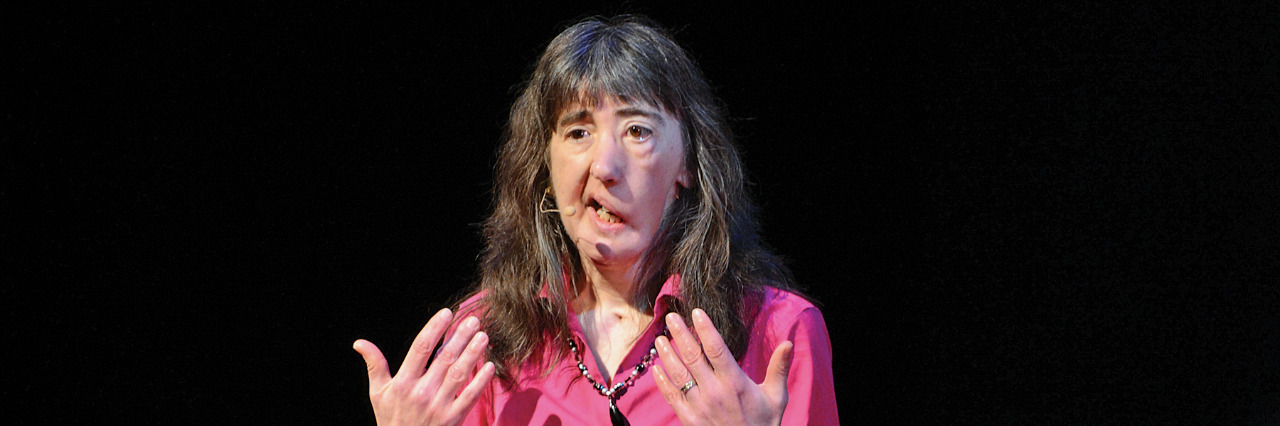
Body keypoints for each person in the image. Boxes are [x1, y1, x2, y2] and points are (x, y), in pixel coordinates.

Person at [353, 15, 838, 425]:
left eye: (636, 130)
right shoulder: (482, 338)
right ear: (544, 169)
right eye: (578, 131)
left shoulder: (780, 331)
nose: (604, 166)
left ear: (687, 166)